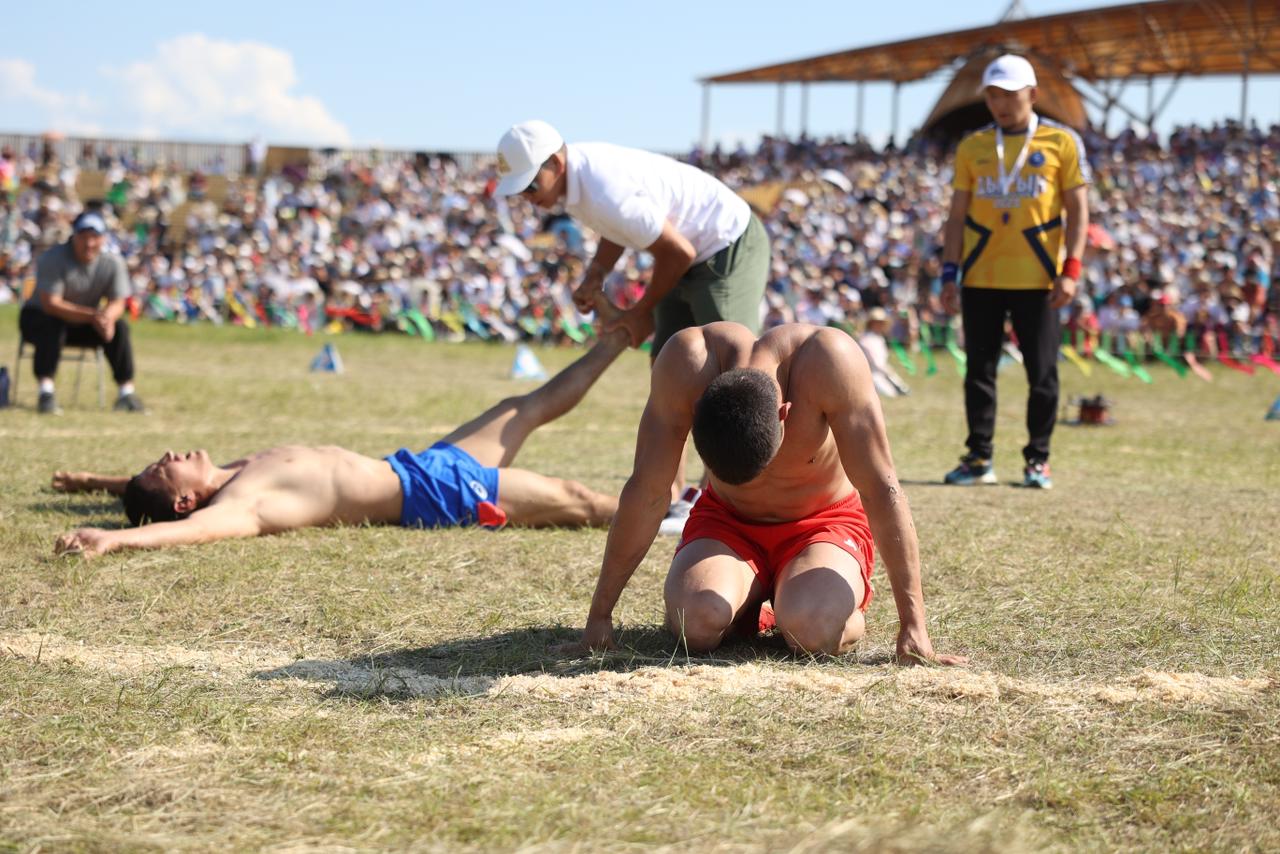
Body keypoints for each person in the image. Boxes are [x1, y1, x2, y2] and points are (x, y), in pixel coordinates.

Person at [566, 321, 967, 666]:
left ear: (784, 414)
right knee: (696, 624)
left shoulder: (830, 360)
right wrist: (599, 616)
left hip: (823, 524)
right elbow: (647, 491)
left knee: (814, 630)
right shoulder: (687, 361)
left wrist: (913, 626)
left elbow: (882, 488)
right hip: (726, 521)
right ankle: (752, 599)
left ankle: (803, 599)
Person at [52, 329, 630, 558]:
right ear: (182, 499)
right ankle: (669, 511)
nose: (172, 454)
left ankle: (624, 334)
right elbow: (192, 529)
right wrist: (115, 539)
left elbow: (151, 493)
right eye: (164, 468)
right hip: (439, 497)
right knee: (577, 499)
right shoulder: (243, 503)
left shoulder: (231, 472)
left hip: (423, 465)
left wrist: (91, 484)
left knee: (520, 407)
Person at [494, 120, 772, 534]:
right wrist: (597, 272)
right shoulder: (574, 184)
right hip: (689, 254)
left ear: (555, 162)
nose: (528, 199)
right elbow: (621, 229)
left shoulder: (602, 185)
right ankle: (673, 499)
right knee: (669, 368)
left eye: (530, 186)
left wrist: (640, 311)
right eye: (519, 191)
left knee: (732, 373)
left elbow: (677, 250)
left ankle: (725, 499)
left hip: (726, 246)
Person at [940, 54, 1090, 490]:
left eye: (1010, 94)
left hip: (1039, 279)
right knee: (978, 373)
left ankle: (1037, 459)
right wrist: (949, 274)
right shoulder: (972, 147)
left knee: (1042, 374)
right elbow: (955, 216)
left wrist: (1072, 269)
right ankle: (978, 458)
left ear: (1033, 94)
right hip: (981, 276)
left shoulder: (1062, 143)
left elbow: (1079, 212)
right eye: (993, 95)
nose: (1001, 104)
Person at [19, 210, 145, 414]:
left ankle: (126, 393)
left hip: (83, 322)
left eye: (94, 238)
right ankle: (46, 392)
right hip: (40, 318)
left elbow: (118, 301)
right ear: (74, 237)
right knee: (52, 324)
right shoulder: (54, 258)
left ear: (103, 239)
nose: (89, 244)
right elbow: (51, 303)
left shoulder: (112, 263)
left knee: (120, 327)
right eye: (84, 237)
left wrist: (107, 319)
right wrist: (94, 316)